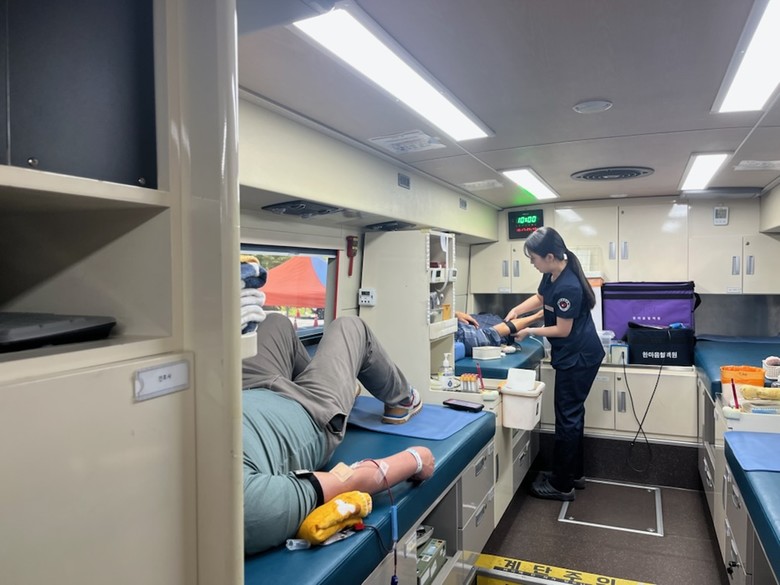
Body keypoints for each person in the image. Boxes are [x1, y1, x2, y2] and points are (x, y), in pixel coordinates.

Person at [241, 313, 436, 555]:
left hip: (247, 389)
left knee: (274, 322)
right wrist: (416, 459)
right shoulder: (250, 510)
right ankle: (403, 399)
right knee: (350, 326)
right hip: (310, 409)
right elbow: (346, 480)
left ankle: (337, 386)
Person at [505, 227, 604, 501]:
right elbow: (540, 298)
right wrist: (517, 310)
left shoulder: (568, 286)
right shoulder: (553, 274)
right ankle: (573, 474)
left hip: (578, 358)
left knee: (567, 419)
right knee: (572, 416)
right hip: (575, 355)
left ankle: (562, 486)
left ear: (549, 256)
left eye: (534, 259)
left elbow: (562, 329)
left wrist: (528, 330)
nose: (532, 263)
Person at [454, 310, 544, 356]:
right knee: (503, 328)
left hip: (465, 323)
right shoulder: (467, 339)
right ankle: (526, 321)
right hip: (471, 331)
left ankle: (524, 321)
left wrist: (455, 313)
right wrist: (537, 317)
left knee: (491, 318)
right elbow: (493, 333)